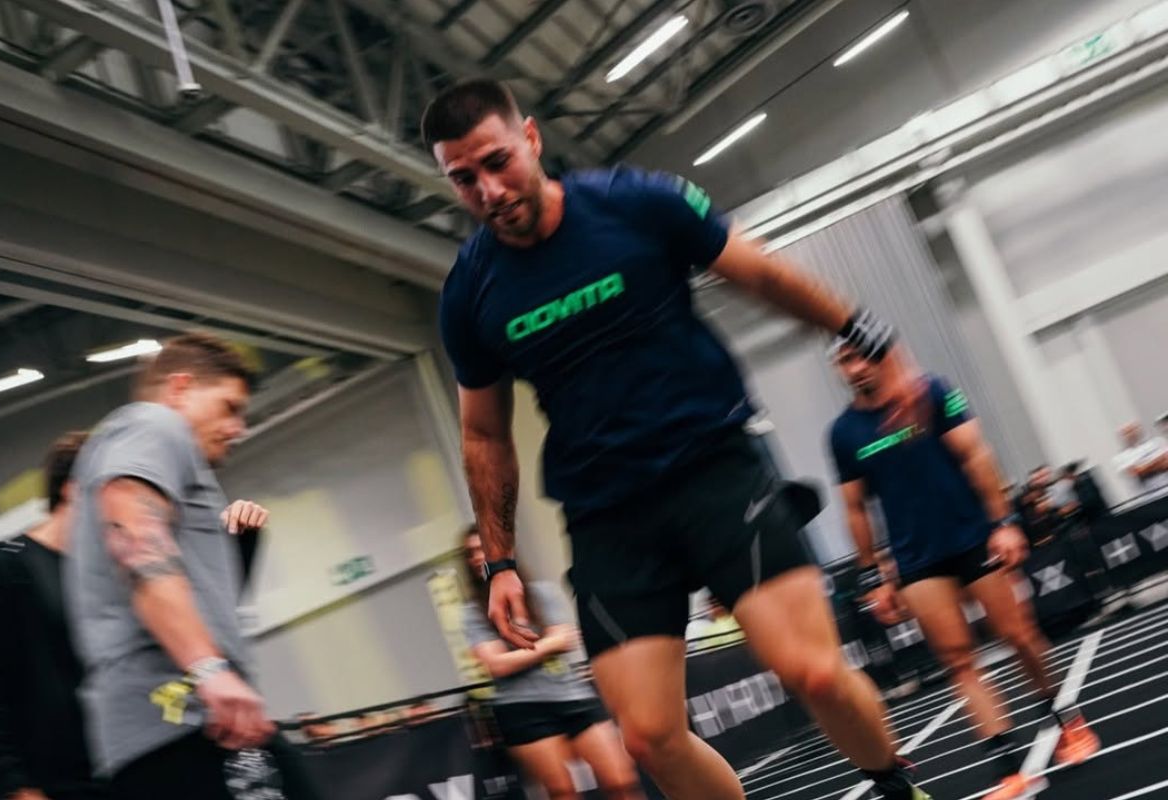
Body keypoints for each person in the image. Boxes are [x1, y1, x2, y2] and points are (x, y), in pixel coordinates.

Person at [424, 78, 932, 800]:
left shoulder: (636, 202)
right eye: (463, 178)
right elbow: (483, 434)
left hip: (714, 469)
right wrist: (500, 559)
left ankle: (893, 786)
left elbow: (758, 272)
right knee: (650, 738)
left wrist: (864, 331)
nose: (489, 189)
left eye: (497, 161)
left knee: (814, 671)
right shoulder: (469, 293)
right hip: (605, 514)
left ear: (531, 139)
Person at [827, 344, 1100, 800]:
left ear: (880, 357)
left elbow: (976, 455)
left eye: (862, 357)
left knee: (1019, 636)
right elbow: (855, 508)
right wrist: (871, 573)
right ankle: (1009, 769)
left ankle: (1065, 718)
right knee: (959, 661)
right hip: (917, 560)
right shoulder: (843, 432)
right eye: (845, 361)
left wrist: (1004, 523)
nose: (856, 369)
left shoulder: (931, 391)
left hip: (974, 538)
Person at [66, 332, 317, 800]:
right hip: (182, 723)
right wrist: (208, 671)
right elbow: (134, 529)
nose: (238, 427)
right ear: (180, 388)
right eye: (229, 407)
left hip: (184, 725)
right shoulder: (154, 425)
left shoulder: (160, 452)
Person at [0, 431, 108, 800]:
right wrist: (14, 786)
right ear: (75, 490)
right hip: (50, 786)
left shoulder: (114, 575)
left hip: (123, 774)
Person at [461, 527, 642, 800]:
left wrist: (525, 653)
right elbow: (497, 665)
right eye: (470, 553)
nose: (477, 558)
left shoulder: (541, 593)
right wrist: (548, 645)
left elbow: (567, 640)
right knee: (562, 792)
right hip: (522, 709)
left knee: (621, 781)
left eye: (482, 550)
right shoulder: (473, 612)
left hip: (573, 696)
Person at [1113, 421, 1168, 494]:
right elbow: (1136, 472)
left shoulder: (1157, 442)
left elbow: (1166, 463)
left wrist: (1143, 466)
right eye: (1127, 432)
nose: (1131, 434)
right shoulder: (1120, 458)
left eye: (1133, 430)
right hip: (1147, 496)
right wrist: (1157, 461)